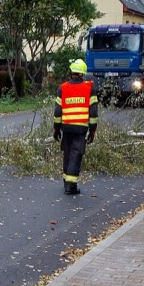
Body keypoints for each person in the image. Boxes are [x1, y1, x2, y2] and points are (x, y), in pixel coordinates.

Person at [52, 59, 98, 195]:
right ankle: (71, 186)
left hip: (66, 128)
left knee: (67, 153)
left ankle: (66, 181)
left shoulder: (63, 87)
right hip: (81, 128)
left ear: (71, 72)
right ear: (82, 74)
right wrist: (93, 130)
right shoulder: (90, 88)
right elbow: (93, 112)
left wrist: (56, 129)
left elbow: (57, 111)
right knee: (76, 155)